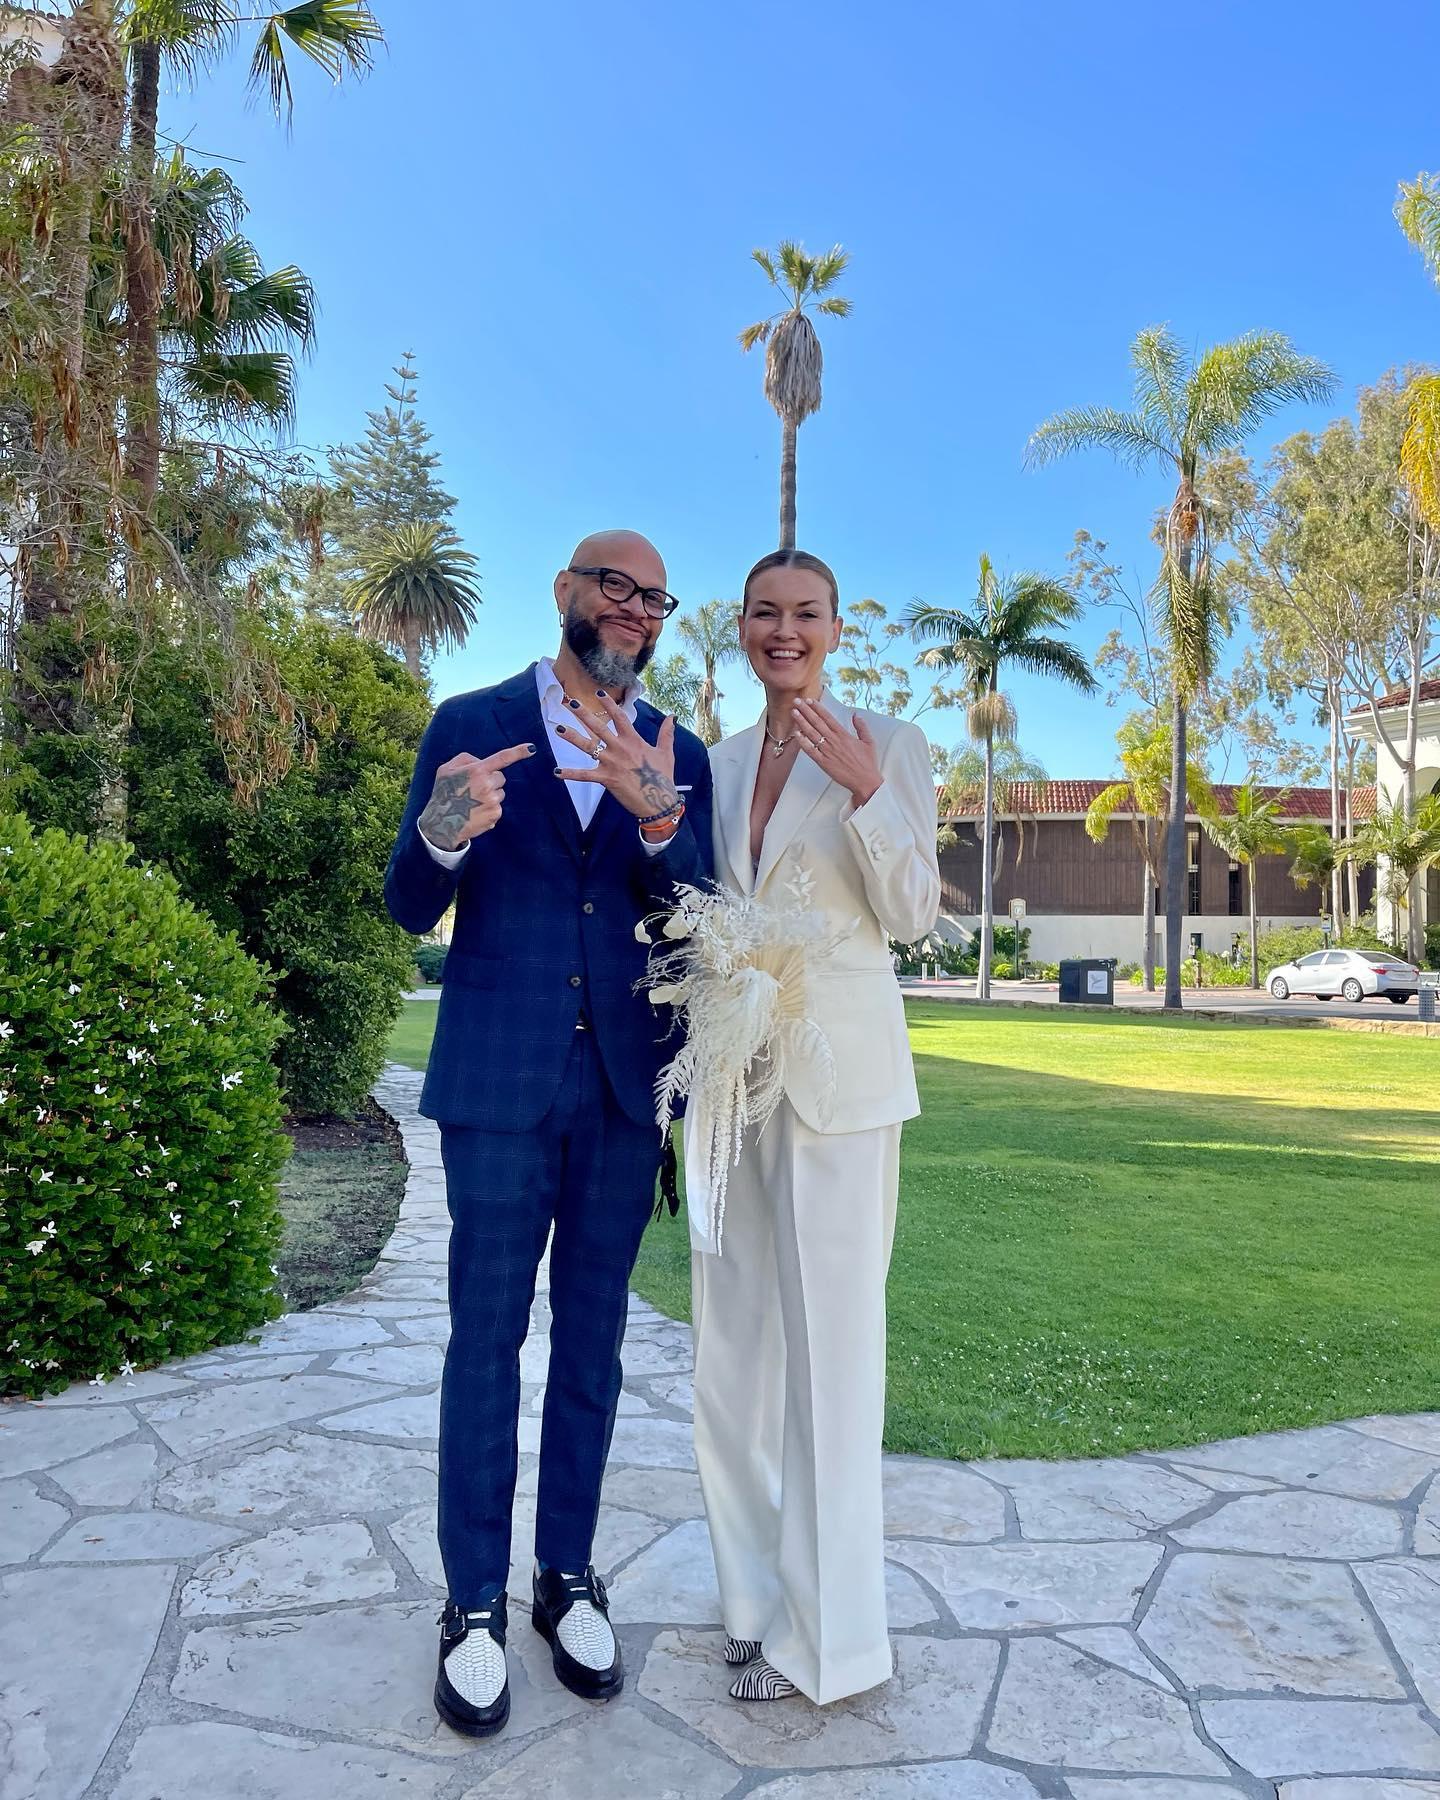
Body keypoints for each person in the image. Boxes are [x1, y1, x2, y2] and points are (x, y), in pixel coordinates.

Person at [384, 530, 713, 1738]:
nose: (635, 609)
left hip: (626, 1093)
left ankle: (564, 1576)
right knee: (485, 1343)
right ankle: (471, 1602)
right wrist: (445, 829)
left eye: (655, 598)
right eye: (614, 586)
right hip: (499, 1089)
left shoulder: (677, 755)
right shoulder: (469, 719)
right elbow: (409, 901)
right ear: (566, 592)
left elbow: (704, 926)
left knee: (592, 1347)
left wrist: (661, 827)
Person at [691, 548, 939, 1707]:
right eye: (763, 613)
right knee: (732, 1359)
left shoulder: (887, 745)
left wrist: (864, 795)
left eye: (805, 614)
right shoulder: (716, 760)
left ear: (837, 627)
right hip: (732, 1087)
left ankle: (833, 1643)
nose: (783, 631)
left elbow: (918, 916)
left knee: (833, 1364)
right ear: (740, 627)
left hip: (841, 1091)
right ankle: (750, 1601)